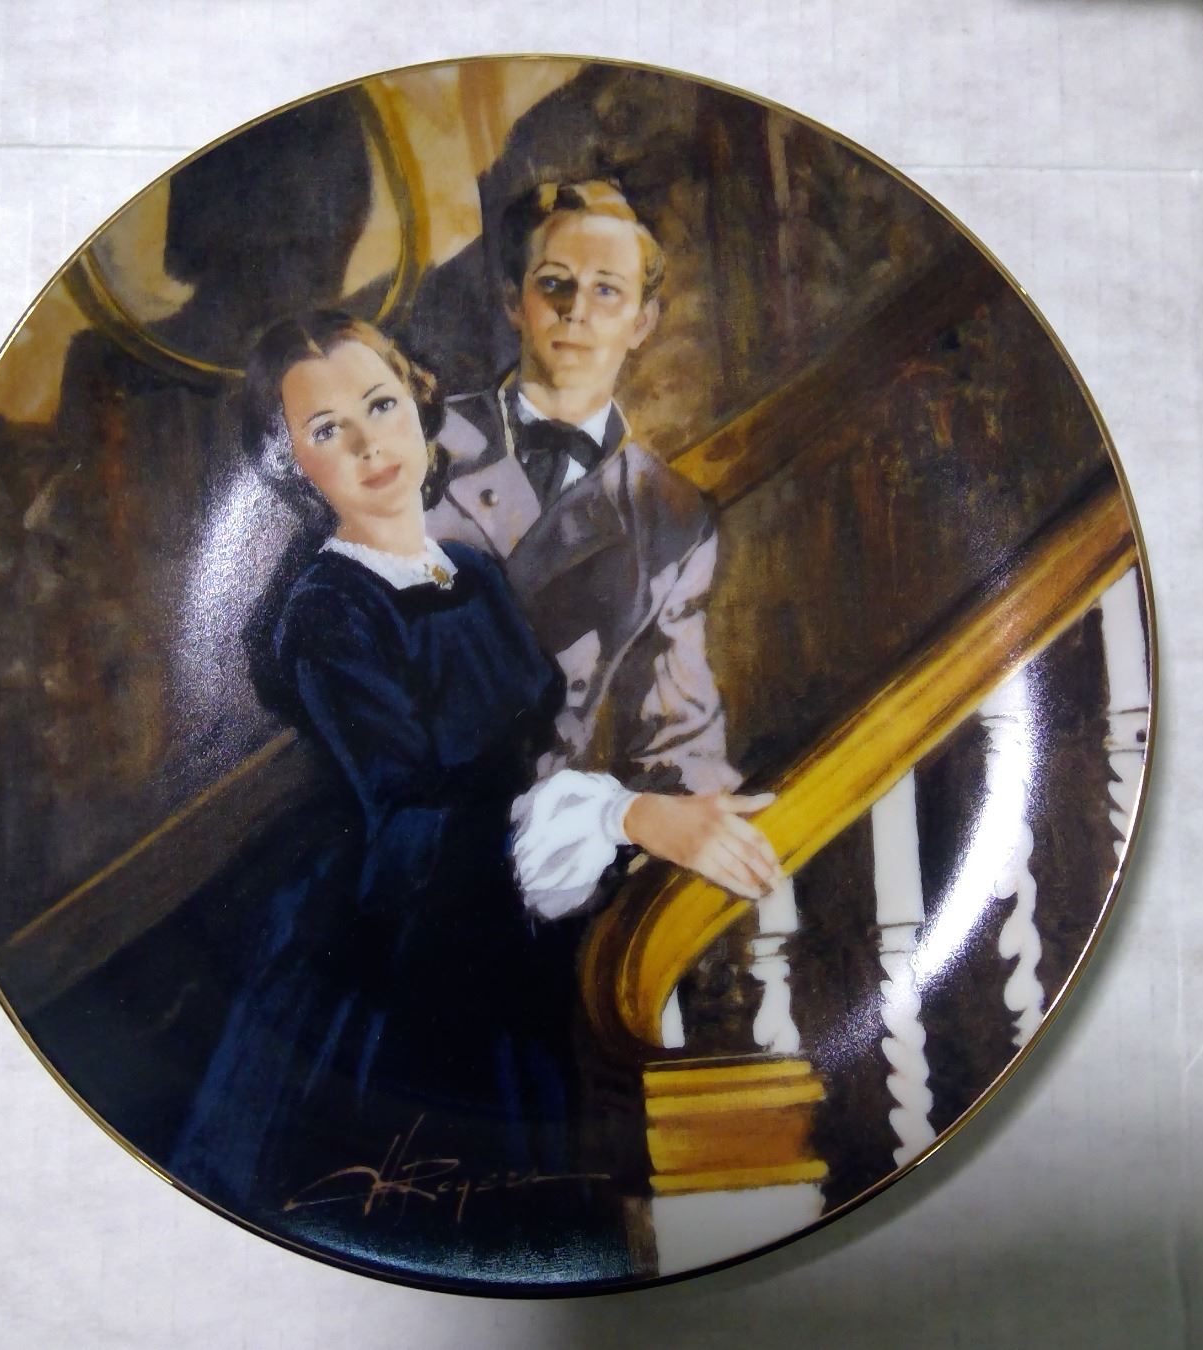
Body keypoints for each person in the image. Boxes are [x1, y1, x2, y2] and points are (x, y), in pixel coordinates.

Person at [167, 312, 777, 1278]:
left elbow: (526, 757)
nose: (369, 444)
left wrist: (612, 819)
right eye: (327, 430)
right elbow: (414, 820)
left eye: (380, 406)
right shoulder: (328, 613)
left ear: (419, 405)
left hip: (507, 919)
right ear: (292, 465)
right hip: (405, 935)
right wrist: (619, 814)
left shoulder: (478, 574)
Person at [427, 182, 759, 893]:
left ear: (643, 321)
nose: (576, 310)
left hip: (546, 849)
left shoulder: (671, 515)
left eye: (607, 290)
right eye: (554, 283)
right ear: (513, 301)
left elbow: (680, 734)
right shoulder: (418, 446)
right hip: (410, 826)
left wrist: (703, 820)